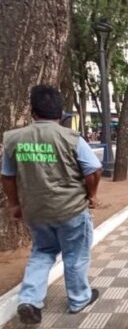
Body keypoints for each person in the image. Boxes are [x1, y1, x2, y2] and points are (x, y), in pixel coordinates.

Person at [1, 85, 102, 324]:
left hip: (35, 211)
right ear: (60, 112)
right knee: (75, 255)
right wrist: (93, 195)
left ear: (33, 111)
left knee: (42, 252)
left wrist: (15, 204)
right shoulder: (71, 138)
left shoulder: (14, 139)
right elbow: (93, 170)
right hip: (71, 209)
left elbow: (6, 176)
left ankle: (30, 300)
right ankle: (79, 299)